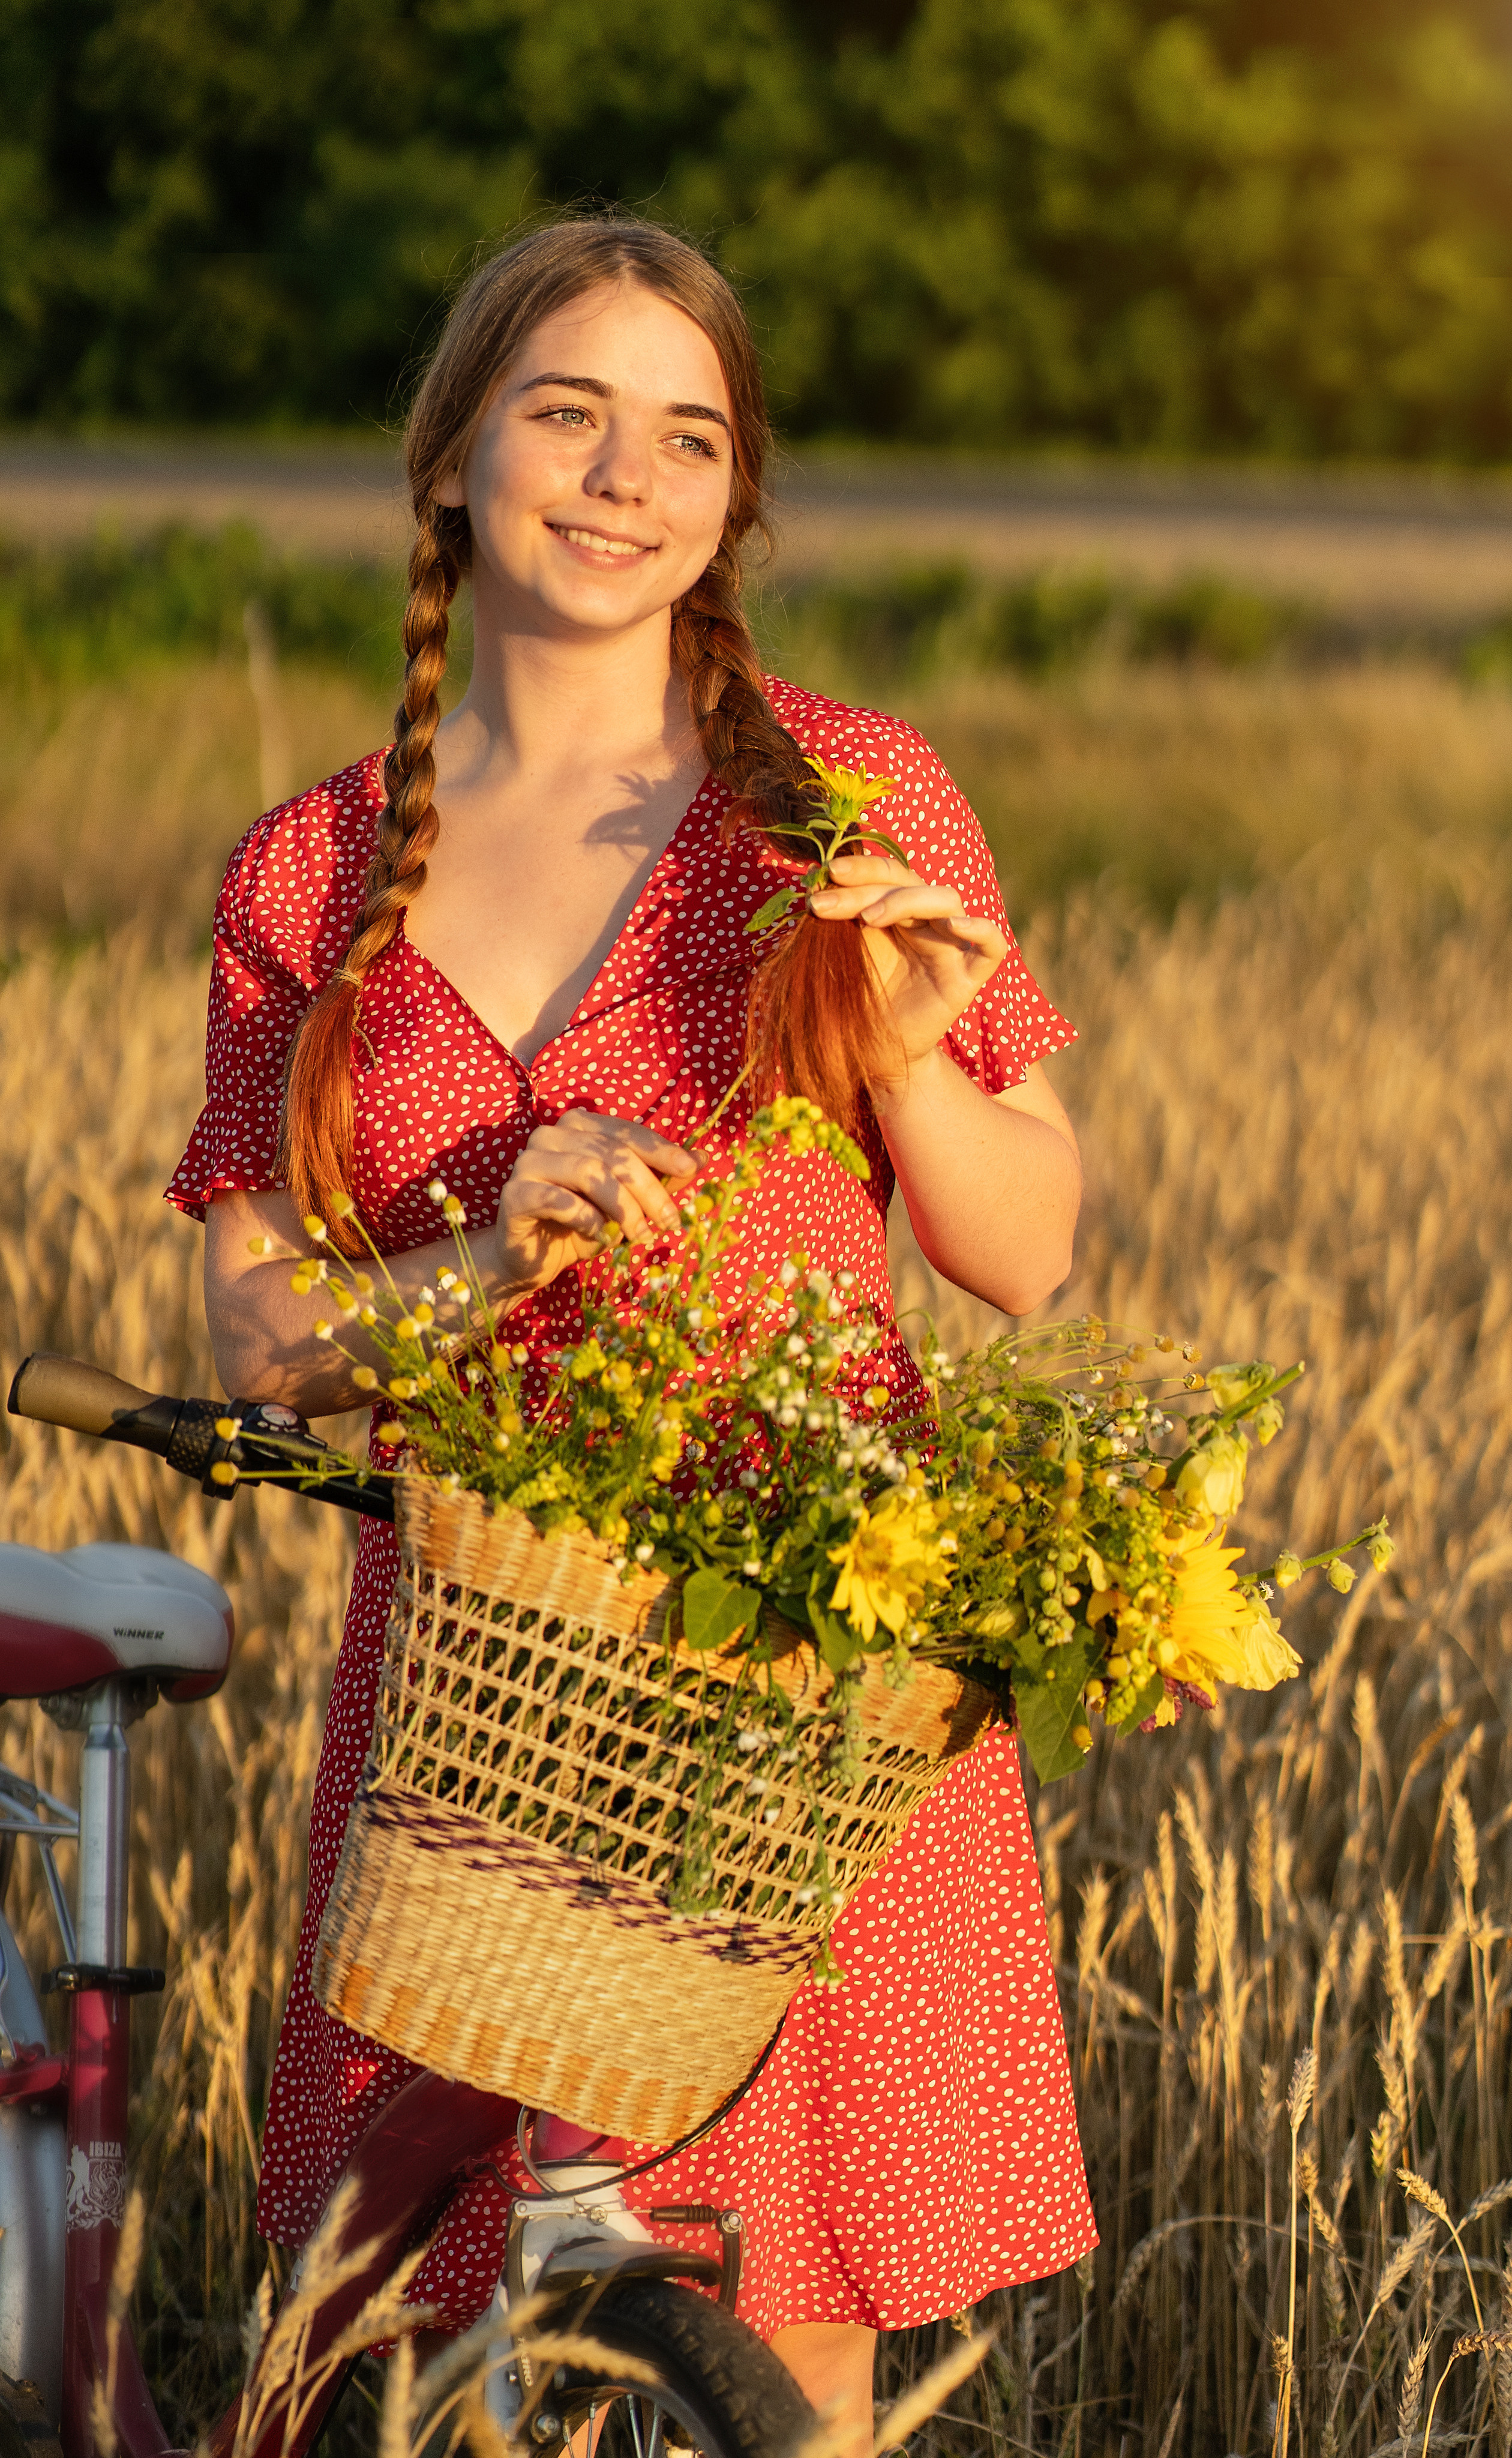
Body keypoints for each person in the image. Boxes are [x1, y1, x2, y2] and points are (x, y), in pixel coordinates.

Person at [169, 215, 1096, 2452]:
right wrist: (483, 1255)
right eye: (566, 411)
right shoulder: (311, 868)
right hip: (480, 1711)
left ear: (735, 496)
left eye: (686, 435)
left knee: (776, 2384)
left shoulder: (850, 802)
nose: (620, 477)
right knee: (409, 2365)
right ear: (457, 452)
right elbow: (253, 1328)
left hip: (808, 1690)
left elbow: (1028, 1246)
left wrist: (892, 1054)